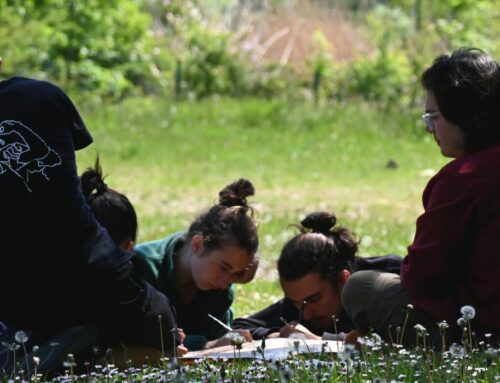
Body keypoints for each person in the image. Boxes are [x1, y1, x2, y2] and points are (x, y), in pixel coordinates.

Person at [0, 74, 178, 375]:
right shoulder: (43, 95)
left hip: (15, 299)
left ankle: (45, 353)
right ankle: (73, 355)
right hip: (95, 270)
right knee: (165, 334)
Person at [341, 48, 500, 346]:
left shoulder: (463, 178)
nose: (429, 128)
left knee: (360, 287)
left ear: (464, 114)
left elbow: (423, 276)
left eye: (434, 116)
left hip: (481, 328)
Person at [233, 211, 402, 341]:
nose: (306, 315)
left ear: (343, 281)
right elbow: (241, 327)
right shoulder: (302, 305)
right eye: (296, 303)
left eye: (314, 300)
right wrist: (277, 335)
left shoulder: (390, 278)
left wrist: (321, 341)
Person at [133, 178, 259, 352]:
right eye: (224, 268)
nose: (225, 283)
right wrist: (204, 345)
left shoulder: (220, 287)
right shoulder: (143, 266)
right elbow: (136, 337)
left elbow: (219, 333)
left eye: (235, 274)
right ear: (197, 245)